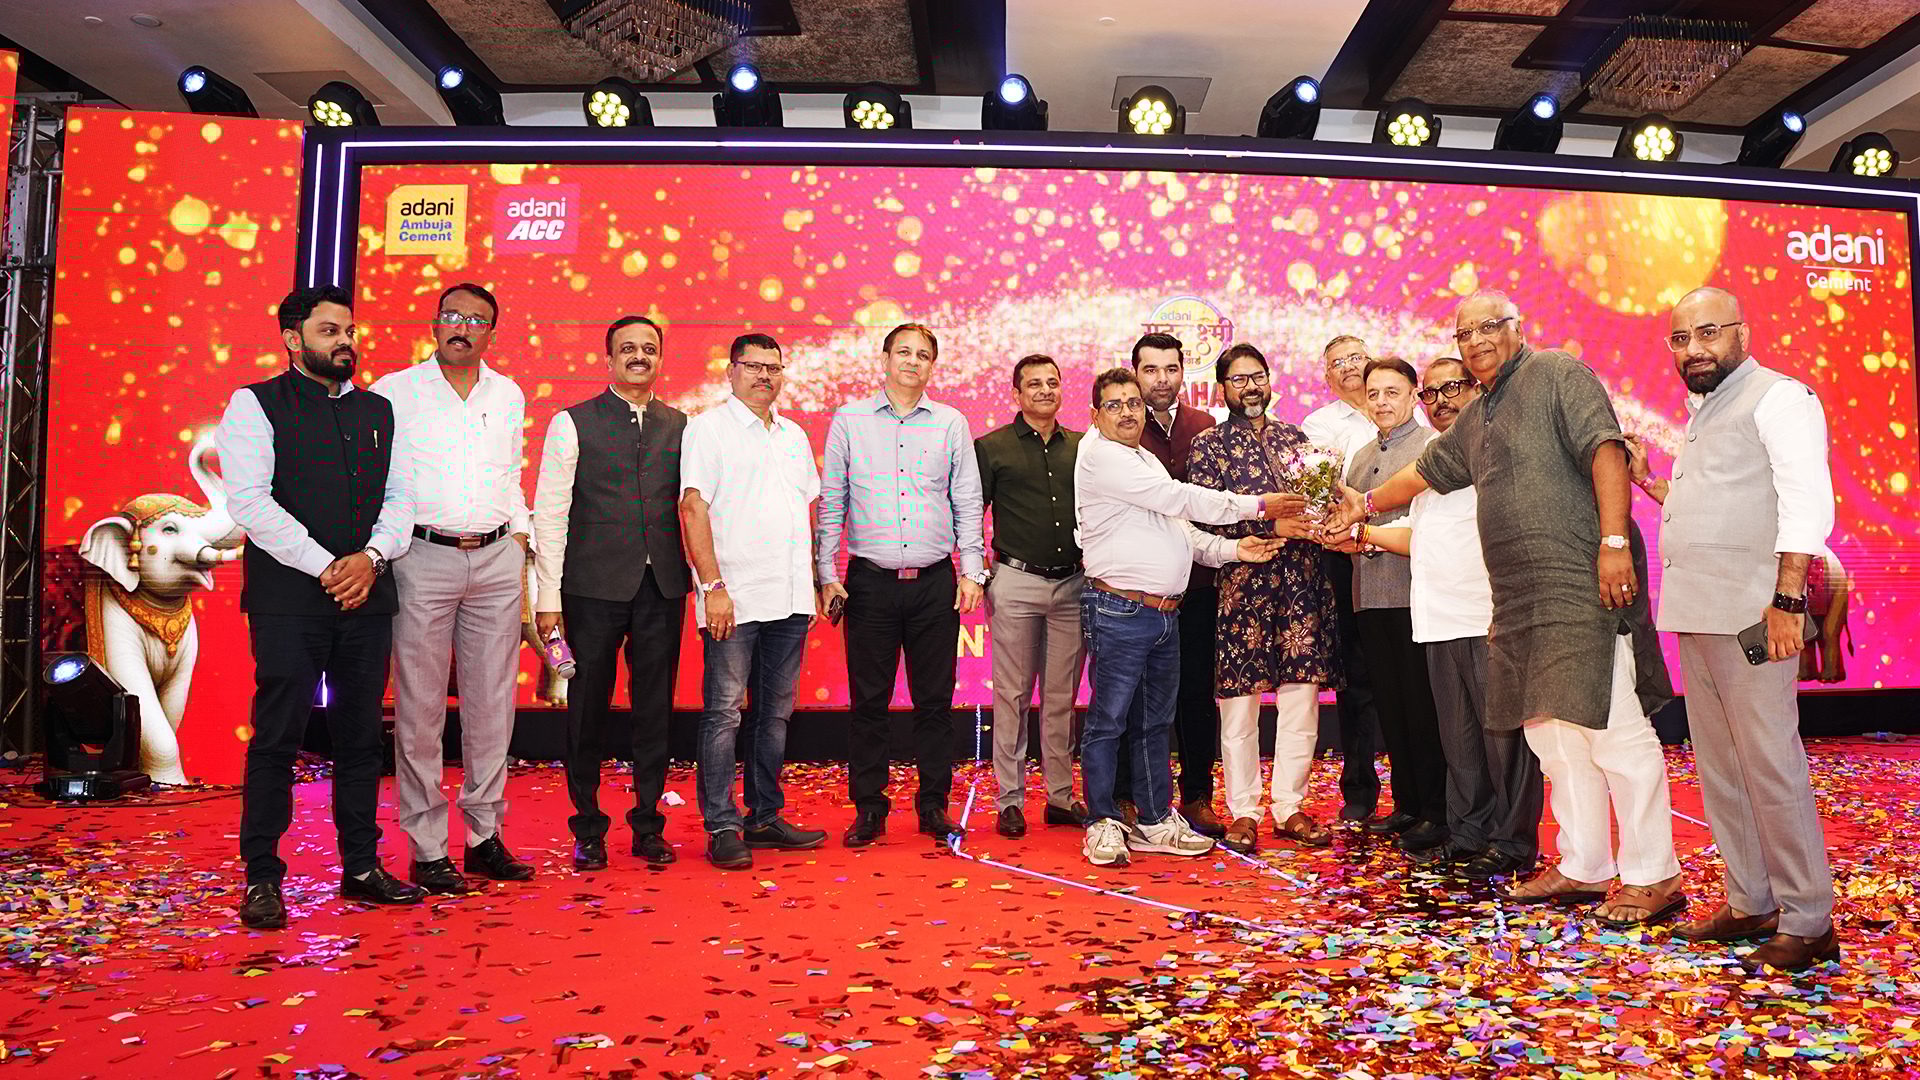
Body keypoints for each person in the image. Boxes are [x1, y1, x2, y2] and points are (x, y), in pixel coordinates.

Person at [1327, 291, 1684, 927]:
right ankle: (1584, 863)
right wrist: (1367, 503)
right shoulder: (1480, 413)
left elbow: (1605, 449)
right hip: (1515, 598)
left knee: (1613, 731)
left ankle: (1654, 872)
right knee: (1554, 739)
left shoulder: (1556, 374)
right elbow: (1430, 471)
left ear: (1518, 328)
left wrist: (1611, 543)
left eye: (1490, 327)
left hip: (1582, 583)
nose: (1477, 340)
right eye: (1465, 333)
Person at [1629, 286, 1839, 972]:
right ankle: (1751, 900)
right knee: (1721, 771)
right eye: (1681, 339)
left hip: (1755, 617)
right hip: (1698, 612)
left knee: (1771, 768)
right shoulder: (1706, 410)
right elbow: (1722, 503)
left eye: (1708, 333)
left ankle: (1809, 918)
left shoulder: (1780, 396)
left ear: (1742, 333)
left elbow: (1806, 502)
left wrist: (1787, 600)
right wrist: (1654, 487)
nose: (1694, 349)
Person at [221, 284, 424, 929]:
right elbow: (250, 503)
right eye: (330, 331)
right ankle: (262, 879)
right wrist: (327, 566)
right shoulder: (254, 405)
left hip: (367, 597)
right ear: (292, 339)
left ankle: (361, 868)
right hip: (290, 602)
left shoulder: (379, 411)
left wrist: (371, 560)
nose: (346, 342)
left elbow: (401, 500)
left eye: (349, 331)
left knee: (362, 738)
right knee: (278, 739)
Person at [1074, 366, 1297, 867]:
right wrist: (1258, 504)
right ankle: (1103, 822)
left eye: (1134, 402)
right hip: (1119, 609)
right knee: (1108, 722)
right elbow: (1179, 498)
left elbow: (1184, 533)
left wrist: (1237, 549)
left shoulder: (1145, 459)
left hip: (1163, 614)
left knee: (1155, 723)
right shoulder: (1102, 457)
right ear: (1095, 415)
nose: (1129, 411)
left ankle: (1154, 820)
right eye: (1116, 405)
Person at [373, 283, 534, 896]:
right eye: (452, 317)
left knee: (494, 708)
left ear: (492, 332)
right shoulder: (394, 392)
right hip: (422, 556)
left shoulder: (509, 393)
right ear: (435, 324)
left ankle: (483, 837)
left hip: (495, 556)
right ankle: (427, 848)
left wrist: (518, 542)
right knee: (418, 710)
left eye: (477, 320)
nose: (462, 327)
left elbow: (511, 474)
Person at [1356, 358, 1542, 879]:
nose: (1440, 400)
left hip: (1487, 618)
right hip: (1435, 621)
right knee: (1459, 742)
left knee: (1502, 741)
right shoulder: (1434, 464)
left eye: (1452, 388)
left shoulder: (1498, 452)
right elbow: (1416, 538)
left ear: (1477, 391)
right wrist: (1359, 535)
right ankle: (1468, 834)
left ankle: (1512, 842)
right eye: (1432, 392)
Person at [817, 323, 987, 847]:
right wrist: (827, 575)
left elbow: (967, 500)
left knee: (934, 702)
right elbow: (833, 503)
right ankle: (869, 808)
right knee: (868, 701)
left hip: (935, 581)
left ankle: (933, 805)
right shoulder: (850, 421)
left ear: (932, 365)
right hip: (868, 583)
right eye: (904, 352)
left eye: (923, 355)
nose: (912, 361)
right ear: (885, 359)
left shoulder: (951, 423)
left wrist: (972, 570)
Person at [533, 315, 691, 872]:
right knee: (586, 710)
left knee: (655, 711)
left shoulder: (682, 424)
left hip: (663, 587)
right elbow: (549, 513)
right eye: (628, 349)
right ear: (609, 359)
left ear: (661, 359)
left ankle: (648, 823)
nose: (639, 357)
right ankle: (588, 828)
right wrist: (546, 594)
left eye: (649, 348)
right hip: (591, 588)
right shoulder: (572, 423)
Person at [680, 333, 829, 870]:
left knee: (774, 716)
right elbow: (693, 509)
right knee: (723, 715)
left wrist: (812, 583)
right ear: (730, 370)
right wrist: (713, 588)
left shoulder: (792, 435)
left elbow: (801, 514)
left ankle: (764, 817)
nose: (764, 376)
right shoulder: (708, 429)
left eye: (774, 368)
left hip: (789, 597)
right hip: (734, 600)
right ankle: (721, 824)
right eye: (753, 366)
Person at [1184, 344, 1339, 854]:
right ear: (1222, 387)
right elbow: (1202, 516)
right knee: (1240, 705)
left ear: (1270, 382)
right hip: (1243, 586)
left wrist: (1317, 520)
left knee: (1301, 700)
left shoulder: (1299, 441)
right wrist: (1269, 522)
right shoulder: (1209, 445)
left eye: (1258, 377)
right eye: (1238, 379)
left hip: (1301, 584)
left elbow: (1321, 504)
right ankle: (1244, 810)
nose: (1250, 387)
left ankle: (1289, 806)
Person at [1330, 357, 1451, 854]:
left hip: (1414, 593)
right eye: (1373, 392)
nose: (1381, 401)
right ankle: (1406, 804)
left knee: (1422, 706)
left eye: (1392, 392)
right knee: (1391, 705)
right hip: (1368, 596)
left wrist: (1365, 533)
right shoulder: (1357, 456)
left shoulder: (1431, 449)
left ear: (1413, 396)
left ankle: (1435, 809)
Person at [975, 354, 1087, 837]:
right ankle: (1010, 800)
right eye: (1033, 384)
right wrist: (976, 572)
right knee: (1013, 695)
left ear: (1062, 390)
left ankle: (1060, 798)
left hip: (1072, 584)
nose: (1044, 390)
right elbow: (969, 512)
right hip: (1016, 582)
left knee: (1061, 697)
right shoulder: (992, 447)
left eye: (1052, 382)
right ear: (1016, 395)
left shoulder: (1085, 448)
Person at [1126, 333, 1225, 837]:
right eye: (1150, 369)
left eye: (1170, 369)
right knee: (1130, 692)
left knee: (1194, 693)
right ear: (1135, 372)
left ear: (1184, 372)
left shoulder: (1203, 426)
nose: (1161, 379)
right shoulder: (1118, 431)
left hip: (1199, 582)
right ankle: (1127, 796)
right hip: (1136, 588)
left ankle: (1198, 796)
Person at [1301, 335, 1385, 824]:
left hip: (1410, 551)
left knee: (1412, 675)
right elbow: (1323, 492)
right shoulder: (1321, 424)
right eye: (1339, 362)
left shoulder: (1406, 411)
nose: (1350, 367)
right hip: (1346, 555)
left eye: (1357, 357)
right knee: (1356, 678)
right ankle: (1359, 790)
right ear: (1326, 375)